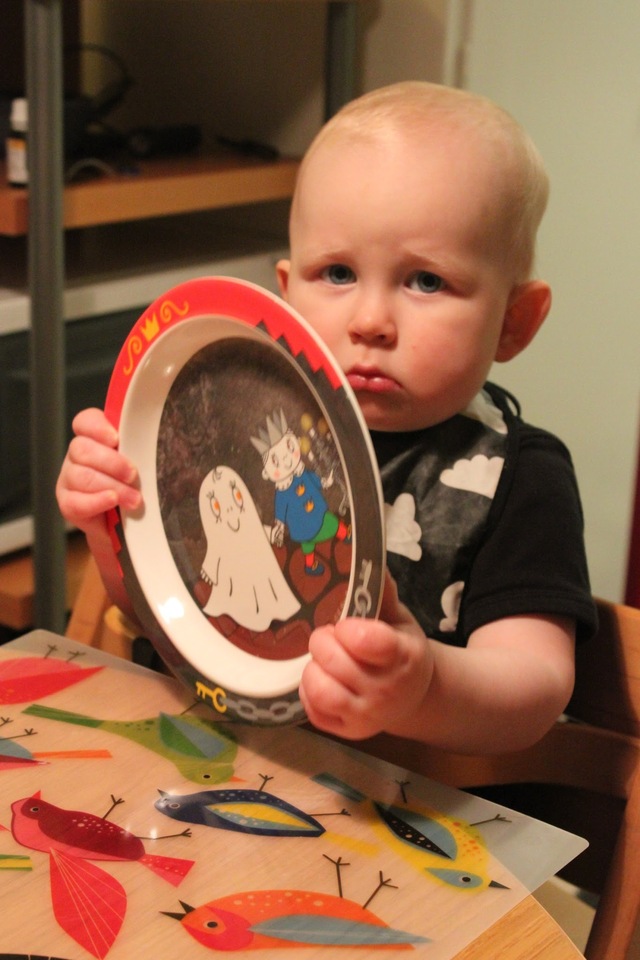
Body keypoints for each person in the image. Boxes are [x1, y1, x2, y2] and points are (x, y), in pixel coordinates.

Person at [56, 81, 596, 755]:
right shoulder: (234, 424)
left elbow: (537, 687)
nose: (370, 321)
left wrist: (424, 685)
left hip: (396, 811)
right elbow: (169, 614)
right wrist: (107, 522)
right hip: (206, 756)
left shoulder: (520, 476)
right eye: (337, 273)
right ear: (284, 295)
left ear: (513, 322)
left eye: (426, 281)